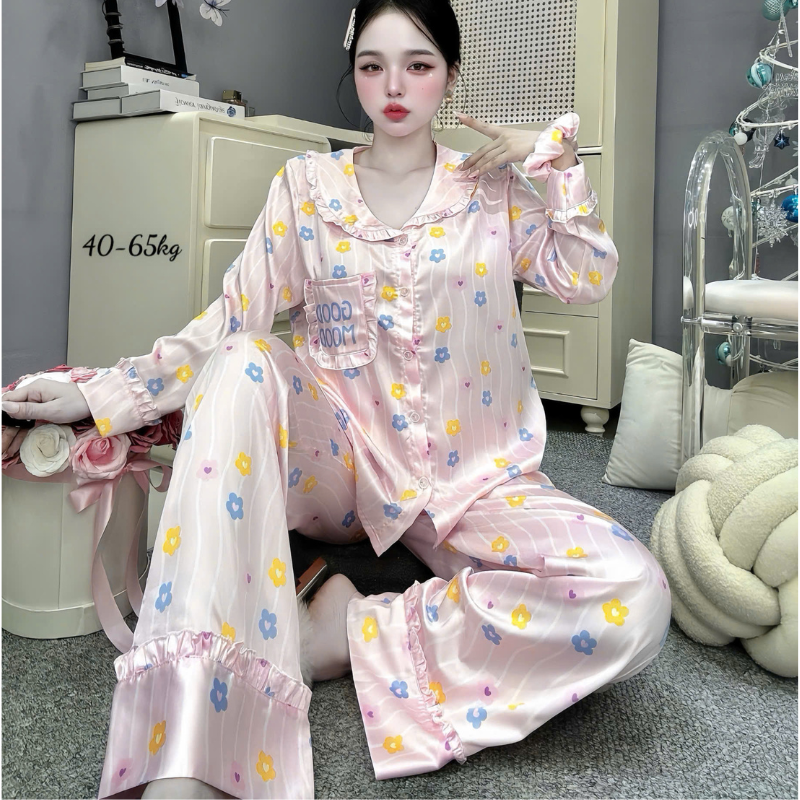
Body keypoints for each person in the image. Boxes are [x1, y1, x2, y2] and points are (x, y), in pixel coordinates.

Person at [2, 0, 673, 797]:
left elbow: (586, 276)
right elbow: (231, 320)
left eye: (418, 65)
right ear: (354, 71)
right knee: (244, 359)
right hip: (341, 467)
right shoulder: (308, 188)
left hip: (474, 478)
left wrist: (551, 159)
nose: (394, 87)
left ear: (450, 75)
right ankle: (189, 743)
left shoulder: (487, 189)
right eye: (372, 65)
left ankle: (350, 630)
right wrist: (102, 394)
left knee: (635, 595)